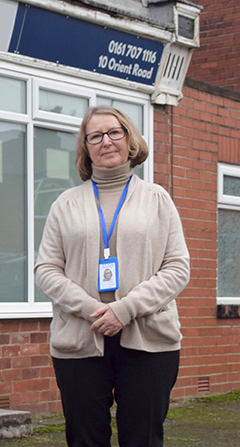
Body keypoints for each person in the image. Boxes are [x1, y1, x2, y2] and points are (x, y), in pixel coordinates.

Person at [35, 106, 190, 446]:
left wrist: (124, 310)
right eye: (95, 136)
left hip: (149, 339)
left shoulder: (157, 199)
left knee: (143, 438)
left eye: (114, 132)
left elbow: (178, 267)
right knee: (84, 438)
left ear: (129, 139)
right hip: (81, 338)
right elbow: (46, 270)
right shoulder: (66, 203)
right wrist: (93, 309)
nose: (106, 141)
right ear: (86, 147)